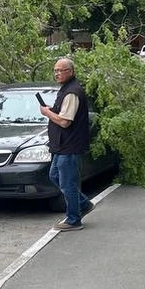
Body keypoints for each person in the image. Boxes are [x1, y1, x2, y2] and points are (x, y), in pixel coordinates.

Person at [39, 57, 93, 231]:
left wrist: (47, 113)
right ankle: (83, 204)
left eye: (60, 70)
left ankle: (73, 219)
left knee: (67, 182)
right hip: (61, 146)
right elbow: (62, 113)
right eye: (55, 70)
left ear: (70, 71)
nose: (57, 73)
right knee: (54, 176)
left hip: (70, 145)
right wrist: (52, 109)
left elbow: (65, 122)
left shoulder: (72, 92)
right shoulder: (66, 89)